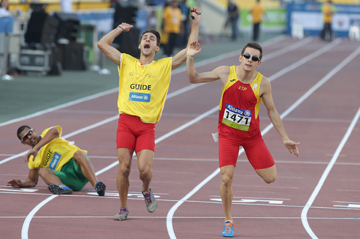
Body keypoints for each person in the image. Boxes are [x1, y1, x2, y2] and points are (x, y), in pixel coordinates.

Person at [96, 6, 201, 221]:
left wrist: (196, 21)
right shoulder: (126, 62)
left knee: (144, 170)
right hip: (125, 122)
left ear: (156, 47)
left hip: (146, 127)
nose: (147, 39)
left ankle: (146, 189)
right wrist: (119, 29)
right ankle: (123, 208)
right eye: (145, 37)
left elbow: (190, 48)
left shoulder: (163, 66)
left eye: (152, 38)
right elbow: (102, 44)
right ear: (139, 45)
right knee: (123, 168)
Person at [186, 41, 300, 237]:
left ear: (259, 63)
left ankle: (251, 160)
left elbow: (272, 111)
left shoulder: (263, 83)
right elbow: (193, 78)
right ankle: (228, 220)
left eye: (254, 58)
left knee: (270, 178)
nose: (250, 60)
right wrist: (189, 57)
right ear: (240, 57)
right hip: (228, 135)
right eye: (247, 56)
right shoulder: (225, 72)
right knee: (226, 177)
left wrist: (285, 138)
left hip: (252, 138)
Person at [7, 125, 106, 196]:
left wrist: (36, 148)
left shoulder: (47, 134)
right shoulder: (32, 159)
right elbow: (32, 181)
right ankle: (62, 188)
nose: (29, 137)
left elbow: (55, 132)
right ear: (23, 142)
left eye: (29, 133)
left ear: (34, 131)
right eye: (25, 138)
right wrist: (21, 184)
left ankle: (97, 186)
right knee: (42, 171)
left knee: (78, 154)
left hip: (80, 169)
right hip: (68, 178)